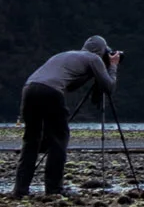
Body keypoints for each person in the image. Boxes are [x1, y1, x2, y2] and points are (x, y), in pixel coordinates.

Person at [15, 37, 121, 198]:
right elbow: (109, 87)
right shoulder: (94, 58)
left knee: (31, 140)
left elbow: (70, 85)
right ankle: (54, 189)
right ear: (101, 51)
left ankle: (20, 190)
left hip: (29, 89)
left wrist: (92, 74)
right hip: (51, 92)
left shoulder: (66, 55)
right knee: (59, 139)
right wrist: (112, 66)